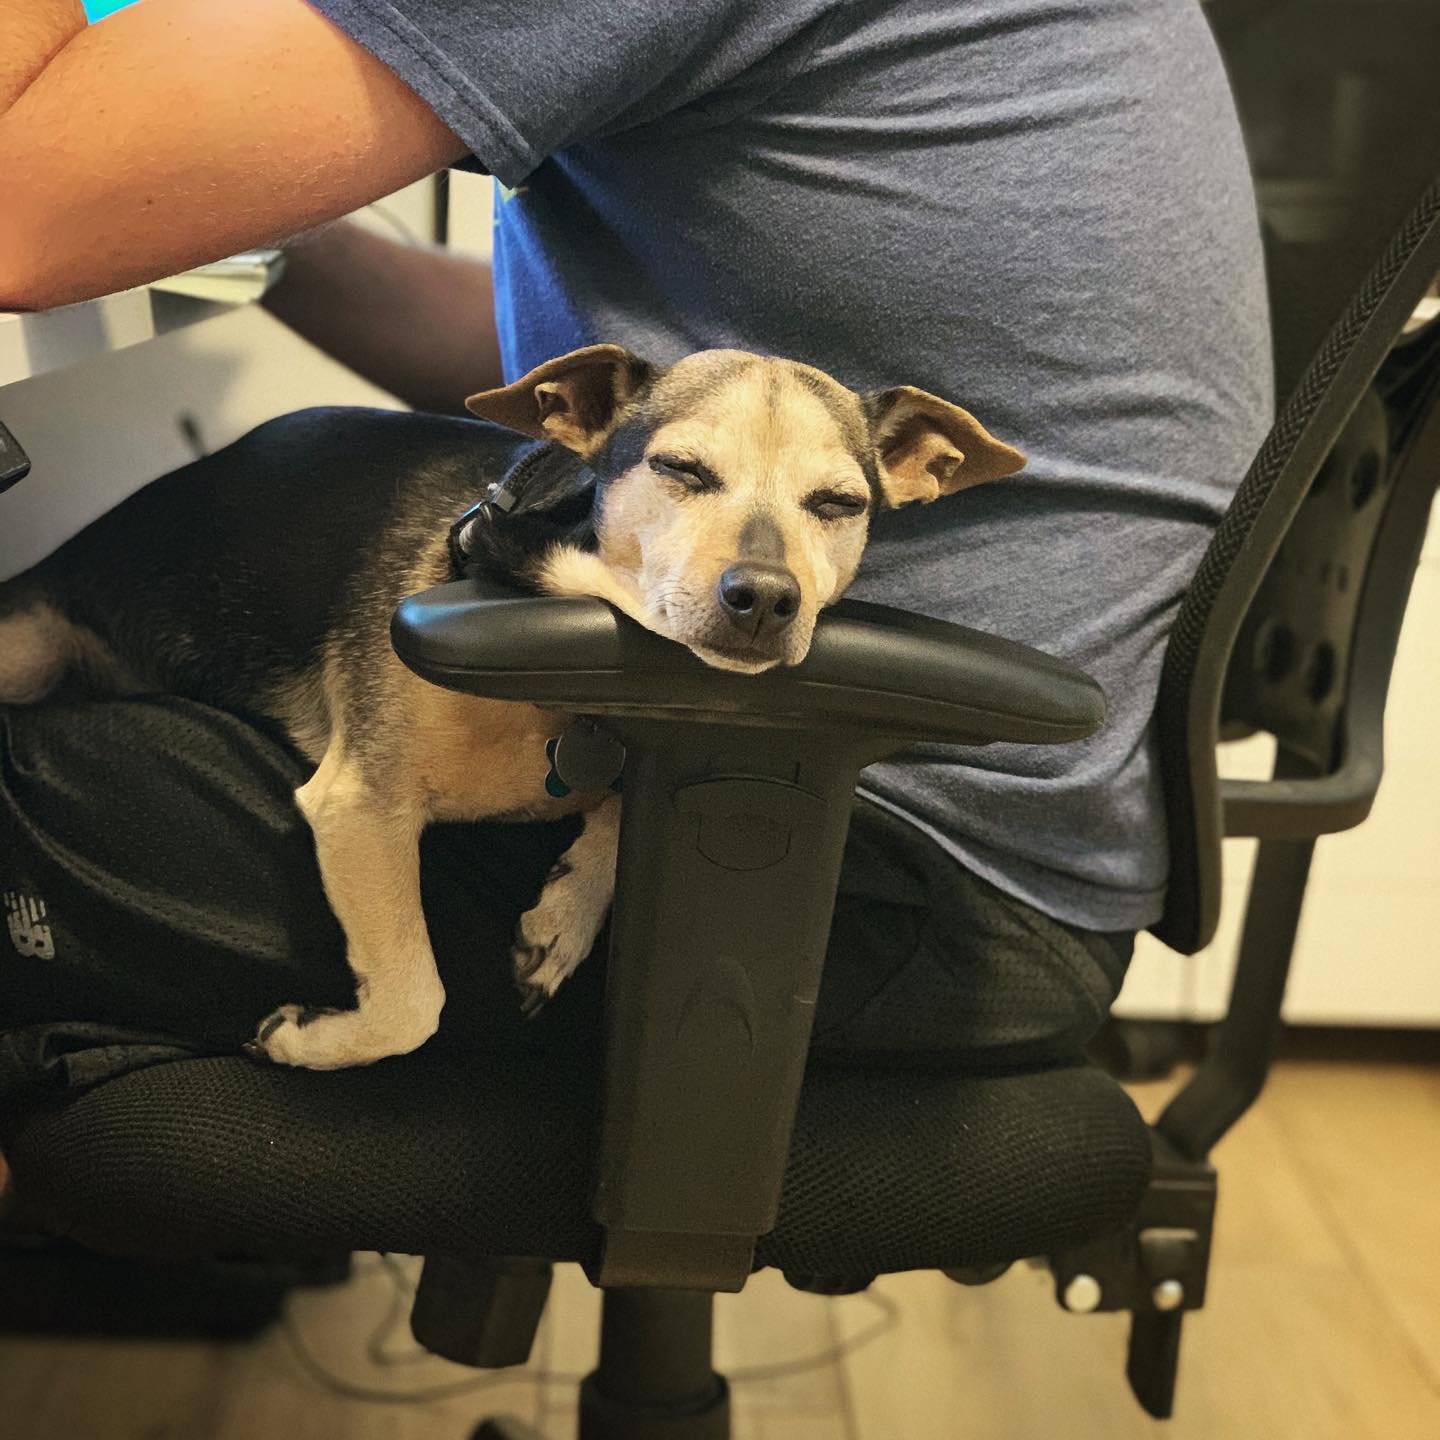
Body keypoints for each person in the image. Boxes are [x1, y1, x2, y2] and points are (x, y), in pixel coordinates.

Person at [0, 1, 1271, 1126]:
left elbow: (21, 205)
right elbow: (584, 387)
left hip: (843, 853)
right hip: (939, 828)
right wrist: (240, 208)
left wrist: (138, 172)